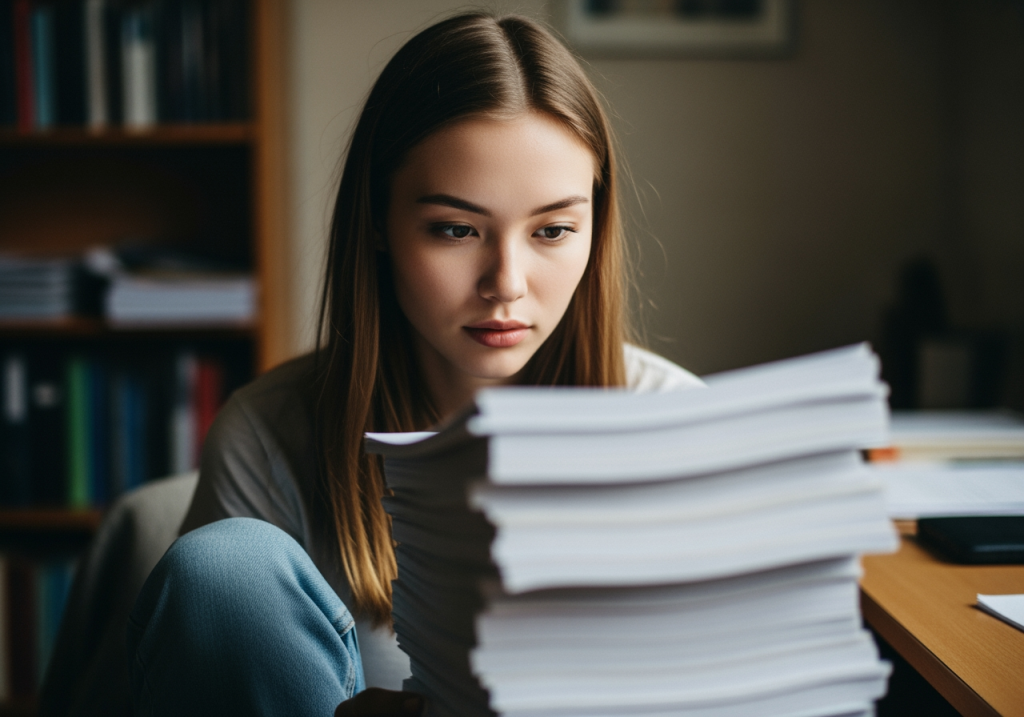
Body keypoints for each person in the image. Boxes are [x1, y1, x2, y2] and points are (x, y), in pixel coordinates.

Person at [126, 11, 703, 717]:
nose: (507, 283)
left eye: (553, 229)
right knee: (224, 569)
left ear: (595, 224)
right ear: (377, 221)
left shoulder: (678, 422)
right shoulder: (271, 435)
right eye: (456, 229)